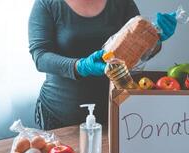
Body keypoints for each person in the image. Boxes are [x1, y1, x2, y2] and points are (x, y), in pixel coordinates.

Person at [28, 0, 177, 130]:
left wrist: (155, 40)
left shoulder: (122, 3)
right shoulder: (47, 3)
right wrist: (80, 66)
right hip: (61, 114)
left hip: (115, 111)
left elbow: (139, 51)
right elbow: (40, 56)